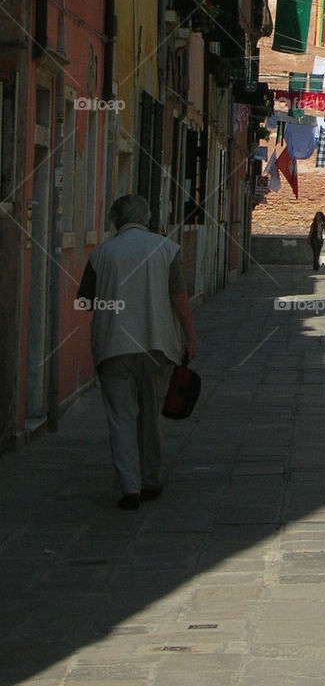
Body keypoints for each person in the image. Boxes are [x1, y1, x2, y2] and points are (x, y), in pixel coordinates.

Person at [76, 194, 196, 510]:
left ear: (115, 219)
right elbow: (179, 297)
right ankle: (151, 481)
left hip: (113, 347)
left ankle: (129, 487)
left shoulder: (101, 254)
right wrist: (190, 337)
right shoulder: (166, 250)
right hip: (157, 346)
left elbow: (85, 302)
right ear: (146, 218)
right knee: (152, 418)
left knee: (120, 418)